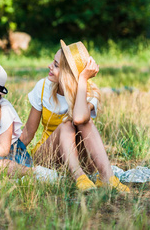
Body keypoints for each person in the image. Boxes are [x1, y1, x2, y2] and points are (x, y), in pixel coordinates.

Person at [19, 40, 130, 192]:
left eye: (56, 65)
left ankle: (107, 177)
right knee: (66, 125)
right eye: (53, 62)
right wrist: (9, 155)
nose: (49, 66)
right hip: (47, 156)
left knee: (84, 122)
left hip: (79, 157)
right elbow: (28, 132)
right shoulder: (43, 87)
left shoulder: (89, 92)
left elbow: (79, 119)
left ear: (68, 73)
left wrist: (83, 80)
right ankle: (79, 177)